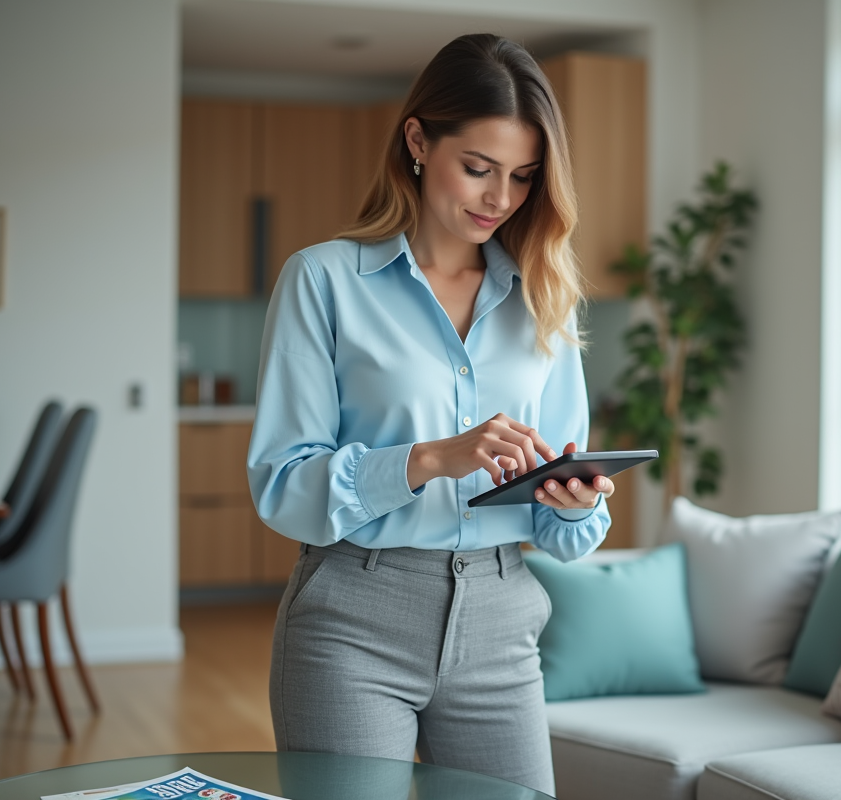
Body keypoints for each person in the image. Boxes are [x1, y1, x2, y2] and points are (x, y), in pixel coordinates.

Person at [246, 32, 615, 796]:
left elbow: (567, 533)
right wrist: (430, 458)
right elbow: (283, 484)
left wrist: (574, 505)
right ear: (418, 139)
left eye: (521, 177)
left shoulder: (545, 297)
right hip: (353, 620)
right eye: (477, 168)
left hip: (503, 620)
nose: (499, 198)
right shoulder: (323, 281)